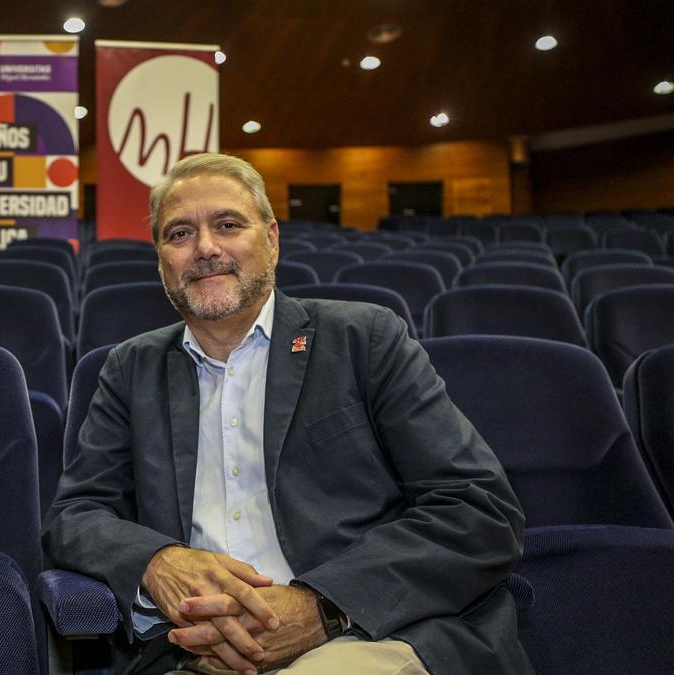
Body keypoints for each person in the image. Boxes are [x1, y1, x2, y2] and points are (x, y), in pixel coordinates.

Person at [43, 153, 529, 674]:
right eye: (179, 233)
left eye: (228, 225)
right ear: (161, 259)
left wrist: (322, 606)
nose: (205, 248)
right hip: (197, 653)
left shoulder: (364, 339)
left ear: (272, 239)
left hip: (365, 635)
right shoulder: (130, 368)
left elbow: (477, 509)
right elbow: (76, 515)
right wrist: (158, 561)